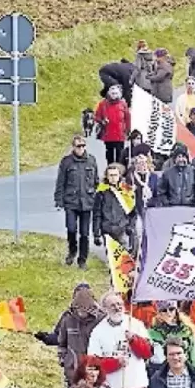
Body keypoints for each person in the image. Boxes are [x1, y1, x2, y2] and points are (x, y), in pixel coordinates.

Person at [54, 135, 99, 269]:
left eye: (83, 146)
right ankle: (72, 251)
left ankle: (82, 259)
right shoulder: (67, 162)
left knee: (85, 233)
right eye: (78, 146)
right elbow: (60, 182)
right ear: (73, 147)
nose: (81, 149)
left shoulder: (91, 160)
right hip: (71, 201)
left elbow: (96, 181)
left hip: (87, 202)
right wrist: (58, 199)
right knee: (71, 228)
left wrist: (97, 197)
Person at [57, 283, 106, 385]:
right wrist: (64, 360)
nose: (81, 311)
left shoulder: (102, 319)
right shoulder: (67, 318)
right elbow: (62, 343)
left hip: (95, 374)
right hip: (73, 373)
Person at [149, 300, 195, 373]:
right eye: (164, 310)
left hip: (184, 373)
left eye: (171, 309)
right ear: (158, 313)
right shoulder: (151, 333)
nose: (168, 313)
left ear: (176, 310)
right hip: (159, 374)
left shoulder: (186, 331)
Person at [93, 163, 137, 252]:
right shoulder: (101, 192)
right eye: (111, 175)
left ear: (119, 175)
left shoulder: (126, 190)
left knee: (124, 257)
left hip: (122, 228)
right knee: (112, 258)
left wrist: (130, 226)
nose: (113, 178)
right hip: (107, 229)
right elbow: (97, 214)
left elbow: (132, 212)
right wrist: (96, 233)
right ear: (107, 176)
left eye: (115, 175)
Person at [95, 85, 132, 166]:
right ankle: (110, 172)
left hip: (120, 135)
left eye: (115, 93)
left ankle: (119, 173)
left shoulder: (123, 103)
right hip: (108, 135)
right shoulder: (103, 104)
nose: (114, 95)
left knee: (120, 156)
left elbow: (127, 118)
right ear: (109, 94)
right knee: (109, 156)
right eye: (112, 93)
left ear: (119, 94)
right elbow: (97, 117)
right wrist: (102, 121)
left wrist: (128, 131)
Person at [127, 151, 158, 219]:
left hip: (151, 210)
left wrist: (151, 203)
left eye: (144, 163)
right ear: (135, 165)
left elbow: (157, 195)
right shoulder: (130, 177)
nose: (142, 165)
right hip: (136, 211)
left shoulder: (153, 177)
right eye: (139, 163)